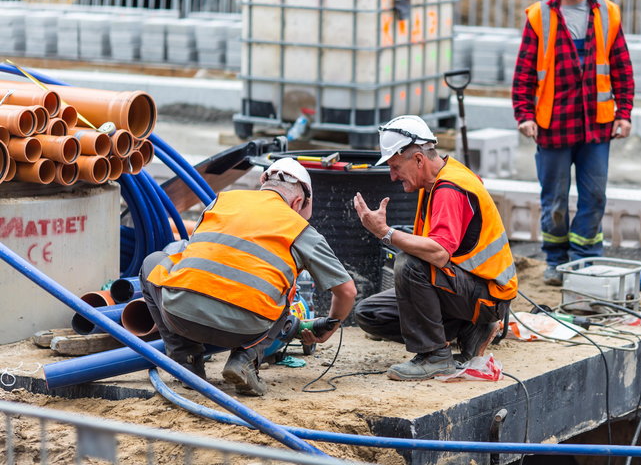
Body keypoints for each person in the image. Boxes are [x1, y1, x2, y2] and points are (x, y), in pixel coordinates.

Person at [139, 158, 357, 396]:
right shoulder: (299, 228)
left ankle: (187, 360)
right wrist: (331, 326)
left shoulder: (221, 200)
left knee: (153, 262)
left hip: (180, 316)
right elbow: (347, 291)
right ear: (297, 202)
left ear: (263, 184)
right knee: (286, 289)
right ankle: (245, 359)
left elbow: (197, 254)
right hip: (245, 329)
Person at [352, 115, 518, 381]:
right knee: (370, 314)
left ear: (418, 159)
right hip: (467, 287)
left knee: (409, 264)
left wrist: (385, 233)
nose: (393, 176)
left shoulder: (450, 188)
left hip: (488, 295)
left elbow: (439, 253)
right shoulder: (433, 182)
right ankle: (469, 329)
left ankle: (436, 357)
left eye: (395, 167)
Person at [511, 0, 635, 285]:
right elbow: (524, 72)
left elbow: (622, 68)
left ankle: (584, 259)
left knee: (594, 195)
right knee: (554, 200)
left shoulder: (608, 14)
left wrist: (623, 113)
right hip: (554, 124)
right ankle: (555, 260)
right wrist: (524, 114)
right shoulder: (540, 17)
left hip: (597, 125)